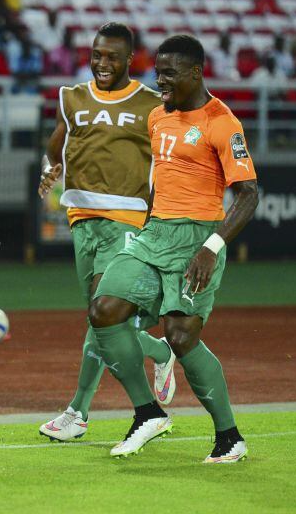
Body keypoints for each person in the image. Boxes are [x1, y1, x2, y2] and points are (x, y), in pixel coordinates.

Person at [88, 34, 258, 462]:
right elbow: (158, 179)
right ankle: (147, 412)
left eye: (168, 73)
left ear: (196, 72)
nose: (158, 80)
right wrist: (144, 224)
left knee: (180, 336)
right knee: (104, 309)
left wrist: (211, 248)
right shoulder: (158, 117)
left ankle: (229, 436)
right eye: (157, 71)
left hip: (196, 239)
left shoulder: (222, 121)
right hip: (154, 234)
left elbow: (250, 194)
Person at [37, 23, 175, 442]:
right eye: (97, 54)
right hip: (81, 218)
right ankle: (159, 349)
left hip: (127, 221)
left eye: (112, 56)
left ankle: (78, 412)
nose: (102, 63)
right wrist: (51, 169)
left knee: (101, 314)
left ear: (130, 59)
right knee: (100, 323)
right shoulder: (73, 97)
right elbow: (57, 144)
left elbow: (171, 158)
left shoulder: (152, 104)